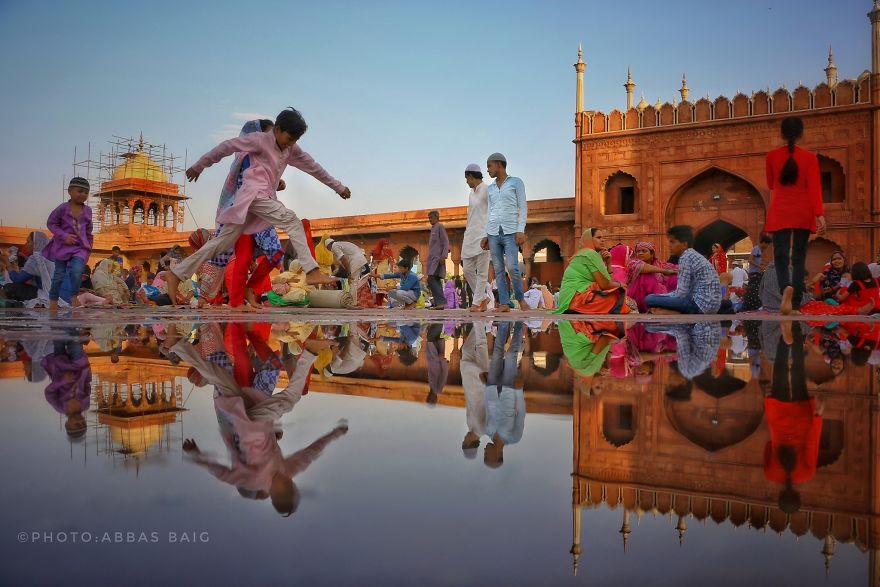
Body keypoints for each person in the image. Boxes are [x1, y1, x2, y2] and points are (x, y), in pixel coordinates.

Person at [166, 107, 350, 303]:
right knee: (292, 221)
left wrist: (338, 187)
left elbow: (315, 168)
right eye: (289, 138)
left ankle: (177, 273)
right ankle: (312, 270)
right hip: (254, 195)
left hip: (259, 200)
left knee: (220, 244)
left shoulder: (290, 149)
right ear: (277, 130)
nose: (291, 144)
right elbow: (227, 146)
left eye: (295, 140)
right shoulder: (259, 140)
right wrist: (199, 165)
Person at [765, 116, 826, 315]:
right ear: (801, 133)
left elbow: (771, 184)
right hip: (803, 210)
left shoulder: (772, 156)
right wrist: (819, 214)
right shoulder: (810, 158)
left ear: (782, 133)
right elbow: (815, 188)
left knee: (780, 256)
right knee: (799, 257)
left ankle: (786, 290)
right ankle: (796, 304)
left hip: (780, 210)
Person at [763, 321, 823, 514]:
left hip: (802, 416)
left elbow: (812, 442)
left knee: (798, 370)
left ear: (797, 495)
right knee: (780, 369)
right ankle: (784, 335)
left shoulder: (806, 473)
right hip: (778, 416)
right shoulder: (771, 473)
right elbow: (768, 447)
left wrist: (817, 417)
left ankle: (795, 331)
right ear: (780, 495)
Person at [482, 153, 527, 312]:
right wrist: (485, 234)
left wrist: (520, 230)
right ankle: (504, 303)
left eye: (489, 166)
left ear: (499, 164)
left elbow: (523, 206)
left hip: (510, 231)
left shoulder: (516, 182)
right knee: (499, 269)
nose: (487, 170)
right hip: (494, 232)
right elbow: (489, 211)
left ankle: (521, 300)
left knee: (513, 267)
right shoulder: (491, 188)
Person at [645, 225, 724, 315]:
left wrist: (660, 297)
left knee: (650, 299)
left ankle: (672, 311)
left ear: (684, 244)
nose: (669, 245)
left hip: (700, 306)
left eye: (672, 242)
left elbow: (681, 294)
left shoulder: (685, 257)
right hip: (712, 305)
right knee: (658, 298)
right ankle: (669, 311)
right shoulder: (693, 255)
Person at [42, 177, 93, 312]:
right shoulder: (62, 208)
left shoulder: (88, 211)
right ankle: (53, 300)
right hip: (62, 247)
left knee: (76, 271)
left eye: (86, 192)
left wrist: (89, 247)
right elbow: (51, 223)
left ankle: (73, 296)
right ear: (70, 191)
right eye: (79, 191)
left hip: (80, 248)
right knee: (59, 275)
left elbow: (89, 231)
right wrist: (64, 236)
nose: (83, 195)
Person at [553, 228, 628, 315]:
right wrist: (622, 285)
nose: (603, 240)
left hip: (567, 301)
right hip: (576, 300)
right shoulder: (590, 254)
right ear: (589, 240)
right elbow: (605, 285)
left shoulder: (583, 254)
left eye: (603, 238)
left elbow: (608, 283)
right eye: (598, 238)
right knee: (616, 296)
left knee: (615, 294)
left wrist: (608, 263)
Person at [482, 321, 526, 467]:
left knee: (497, 352)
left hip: (492, 386)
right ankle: (519, 322)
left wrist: (484, 385)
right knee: (512, 354)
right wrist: (519, 391)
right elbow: (520, 415)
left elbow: (487, 408)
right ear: (497, 456)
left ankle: (504, 324)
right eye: (486, 455)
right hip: (509, 389)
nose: (484, 451)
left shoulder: (487, 431)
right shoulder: (514, 437)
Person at [461, 163, 491, 312]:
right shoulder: (471, 194)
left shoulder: (487, 190)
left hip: (482, 235)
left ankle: (477, 302)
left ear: (471, 176)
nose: (466, 182)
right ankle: (483, 298)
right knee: (467, 270)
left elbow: (492, 212)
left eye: (467, 178)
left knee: (482, 272)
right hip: (470, 235)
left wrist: (488, 234)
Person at [459, 324, 489, 458]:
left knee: (466, 349)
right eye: (465, 442)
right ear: (471, 443)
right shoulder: (483, 429)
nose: (464, 439)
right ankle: (481, 319)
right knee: (481, 345)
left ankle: (481, 322)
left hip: (470, 382)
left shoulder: (470, 425)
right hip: (481, 383)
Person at [625, 241, 678, 312]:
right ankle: (659, 305)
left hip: (657, 295)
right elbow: (642, 267)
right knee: (646, 276)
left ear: (652, 254)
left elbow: (676, 269)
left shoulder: (660, 265)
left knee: (674, 277)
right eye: (638, 251)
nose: (640, 253)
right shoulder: (632, 263)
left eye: (644, 251)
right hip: (638, 298)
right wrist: (664, 271)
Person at [426, 210, 449, 310]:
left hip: (438, 259)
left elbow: (445, 242)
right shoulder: (433, 229)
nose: (430, 219)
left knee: (431, 279)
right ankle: (439, 303)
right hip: (432, 259)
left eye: (431, 217)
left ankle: (441, 302)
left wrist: (443, 256)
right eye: (429, 218)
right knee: (434, 279)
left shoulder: (440, 226)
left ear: (437, 217)